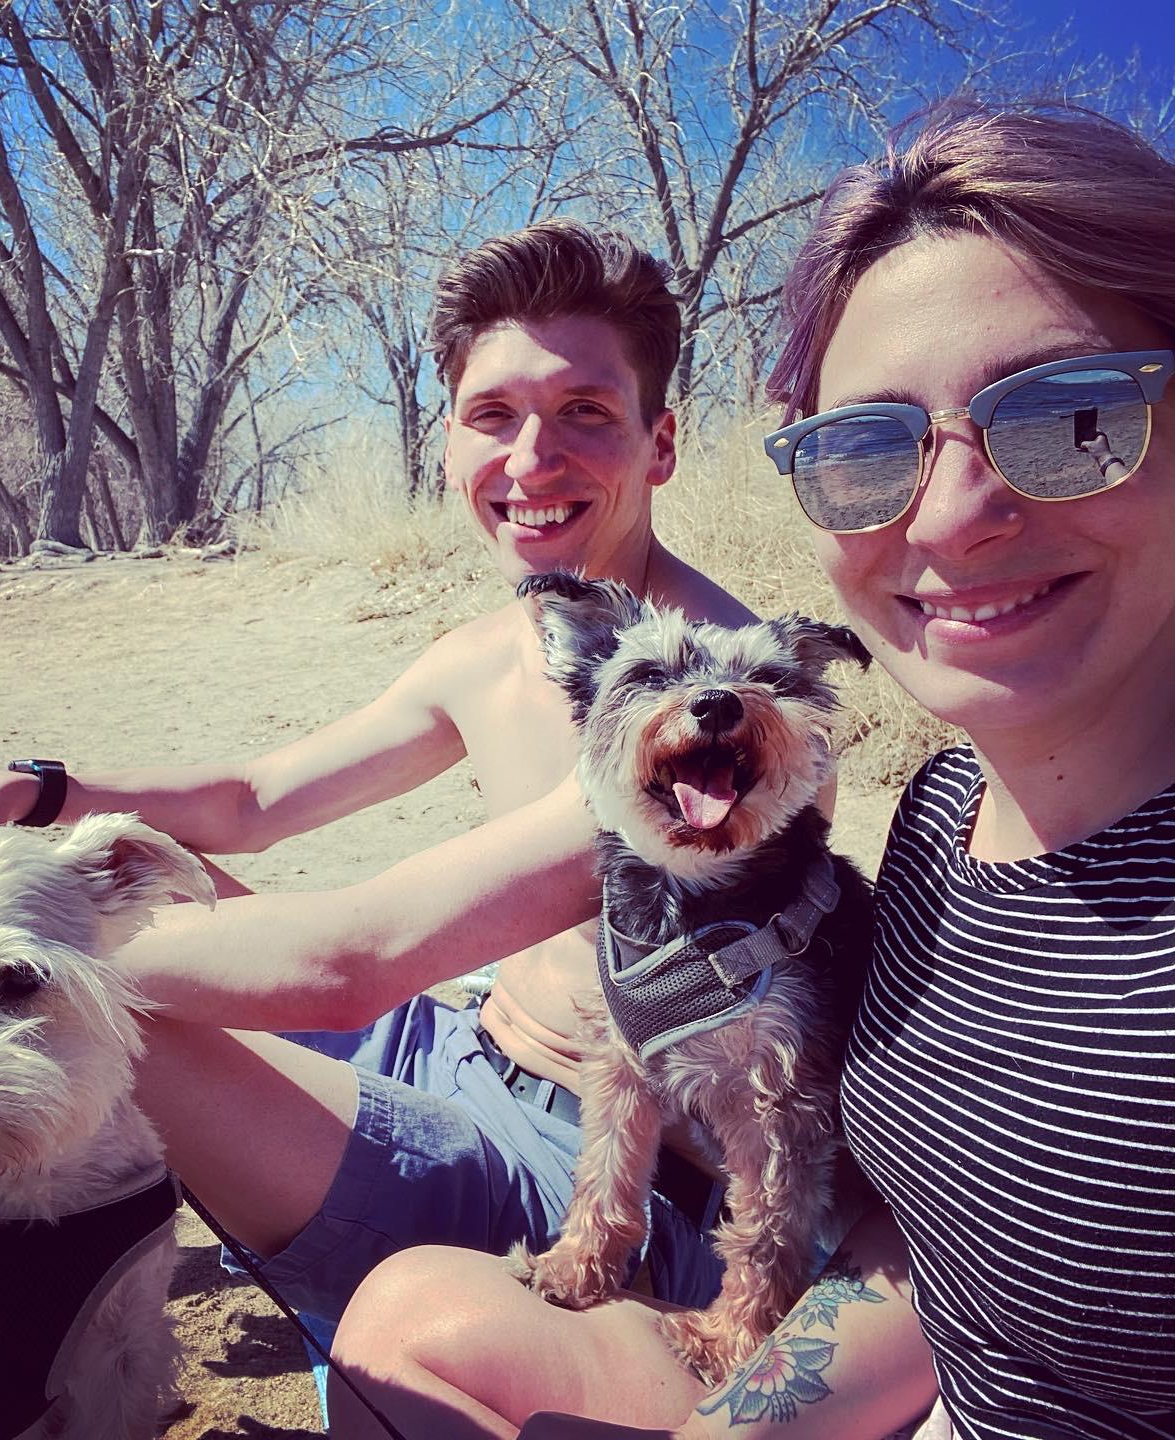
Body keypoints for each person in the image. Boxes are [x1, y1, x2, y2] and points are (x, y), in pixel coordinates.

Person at [0, 221, 757, 1360]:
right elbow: (256, 801)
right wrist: (38, 791)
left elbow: (345, 966)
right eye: (493, 417)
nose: (529, 461)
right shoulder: (507, 639)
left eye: (585, 414)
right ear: (449, 444)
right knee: (50, 959)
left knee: (67, 1016)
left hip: (590, 1181)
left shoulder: (710, 701)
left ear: (659, 443)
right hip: (455, 1050)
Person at [323, 100, 1175, 1440]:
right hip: (859, 1342)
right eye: (870, 447)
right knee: (394, 1331)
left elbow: (355, 955)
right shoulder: (950, 814)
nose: (953, 513)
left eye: (1070, 418)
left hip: (767, 1268)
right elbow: (941, 1254)